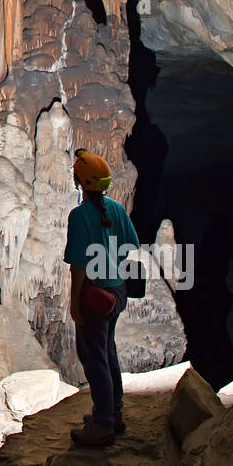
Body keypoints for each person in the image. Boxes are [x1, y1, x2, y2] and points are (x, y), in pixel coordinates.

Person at [64, 148, 140, 448]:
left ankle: (103, 425)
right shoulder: (117, 209)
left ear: (81, 182)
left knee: (94, 358)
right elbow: (130, 246)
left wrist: (74, 301)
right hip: (117, 291)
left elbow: (79, 265)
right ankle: (113, 413)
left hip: (95, 297)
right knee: (107, 351)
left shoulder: (80, 215)